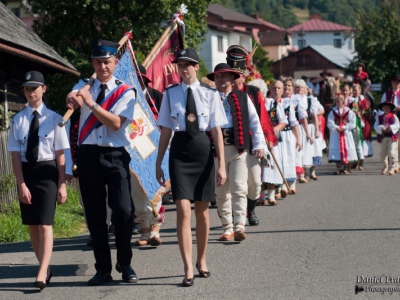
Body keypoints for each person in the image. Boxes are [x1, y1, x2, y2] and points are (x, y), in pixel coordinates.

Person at [66, 39, 138, 285]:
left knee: (124, 211)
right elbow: (72, 95)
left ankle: (125, 263)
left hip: (115, 155)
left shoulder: (126, 90)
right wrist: (73, 98)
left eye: (106, 62)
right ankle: (103, 269)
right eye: (97, 62)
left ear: (115, 63)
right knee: (96, 216)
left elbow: (116, 123)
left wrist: (91, 103)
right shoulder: (84, 84)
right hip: (89, 156)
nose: (102, 66)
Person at [156, 48, 227, 287]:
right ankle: (187, 267)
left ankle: (202, 259)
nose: (184, 68)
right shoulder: (171, 93)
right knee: (183, 210)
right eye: (180, 64)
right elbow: (166, 129)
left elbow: (216, 130)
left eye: (188, 64)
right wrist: (158, 161)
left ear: (197, 67)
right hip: (180, 151)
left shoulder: (209, 93)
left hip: (202, 150)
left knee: (202, 212)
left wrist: (222, 165)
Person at [8, 71, 69, 290]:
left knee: (45, 222)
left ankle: (42, 272)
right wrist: (21, 184)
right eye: (26, 88)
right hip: (27, 172)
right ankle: (45, 265)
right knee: (32, 223)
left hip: (48, 172)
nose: (30, 92)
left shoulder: (55, 120)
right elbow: (15, 156)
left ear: (44, 89)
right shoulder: (17, 119)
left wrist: (63, 183)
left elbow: (61, 154)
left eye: (35, 88)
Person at [206, 63, 266, 241]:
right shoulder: (209, 98)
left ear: (232, 79)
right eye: (217, 76)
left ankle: (240, 225)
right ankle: (227, 227)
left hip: (238, 148)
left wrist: (259, 144)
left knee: (239, 187)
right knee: (221, 190)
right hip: (217, 150)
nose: (220, 79)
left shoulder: (243, 97)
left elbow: (254, 122)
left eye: (224, 76)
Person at [226, 44, 276, 224]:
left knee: (254, 182)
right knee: (233, 183)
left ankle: (251, 208)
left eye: (237, 75)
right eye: (231, 75)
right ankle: (235, 215)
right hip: (230, 146)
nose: (234, 79)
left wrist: (265, 141)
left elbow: (262, 120)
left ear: (244, 75)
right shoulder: (222, 93)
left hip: (251, 145)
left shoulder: (253, 93)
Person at [132, 63, 165, 246]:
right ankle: (144, 231)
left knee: (154, 191)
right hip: (133, 151)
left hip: (154, 150)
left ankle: (155, 230)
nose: (137, 82)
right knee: (137, 192)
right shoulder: (126, 98)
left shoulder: (157, 97)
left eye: (140, 79)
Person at [327, 95, 358, 174]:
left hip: (345, 133)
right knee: (337, 148)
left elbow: (353, 122)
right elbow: (330, 122)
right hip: (337, 133)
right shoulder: (333, 111)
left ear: (343, 102)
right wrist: (335, 127)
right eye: (336, 102)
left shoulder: (349, 111)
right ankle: (338, 168)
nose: (337, 103)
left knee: (346, 148)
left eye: (339, 101)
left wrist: (346, 127)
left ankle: (346, 168)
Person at [380, 74, 400, 172]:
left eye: (397, 82)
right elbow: (382, 107)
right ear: (391, 83)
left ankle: (397, 163)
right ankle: (392, 163)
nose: (396, 84)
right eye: (394, 82)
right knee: (392, 142)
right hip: (390, 119)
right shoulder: (386, 94)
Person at [374, 102, 399, 175]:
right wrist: (381, 128)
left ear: (390, 109)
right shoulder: (380, 117)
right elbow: (376, 125)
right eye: (385, 108)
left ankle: (392, 168)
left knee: (392, 152)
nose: (387, 109)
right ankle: (385, 167)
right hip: (383, 137)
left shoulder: (393, 116)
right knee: (383, 154)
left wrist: (391, 127)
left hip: (392, 136)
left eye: (388, 108)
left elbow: (397, 124)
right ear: (382, 109)